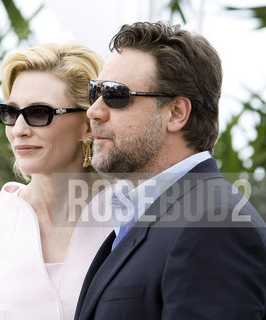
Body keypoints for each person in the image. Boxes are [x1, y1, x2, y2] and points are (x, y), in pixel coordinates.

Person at [74, 21, 266, 320]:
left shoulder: (214, 226)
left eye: (115, 95)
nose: (94, 111)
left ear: (176, 114)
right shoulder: (142, 218)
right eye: (94, 93)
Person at [0, 42, 111, 320]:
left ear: (88, 124)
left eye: (39, 113)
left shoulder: (130, 223)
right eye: (11, 113)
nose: (19, 130)